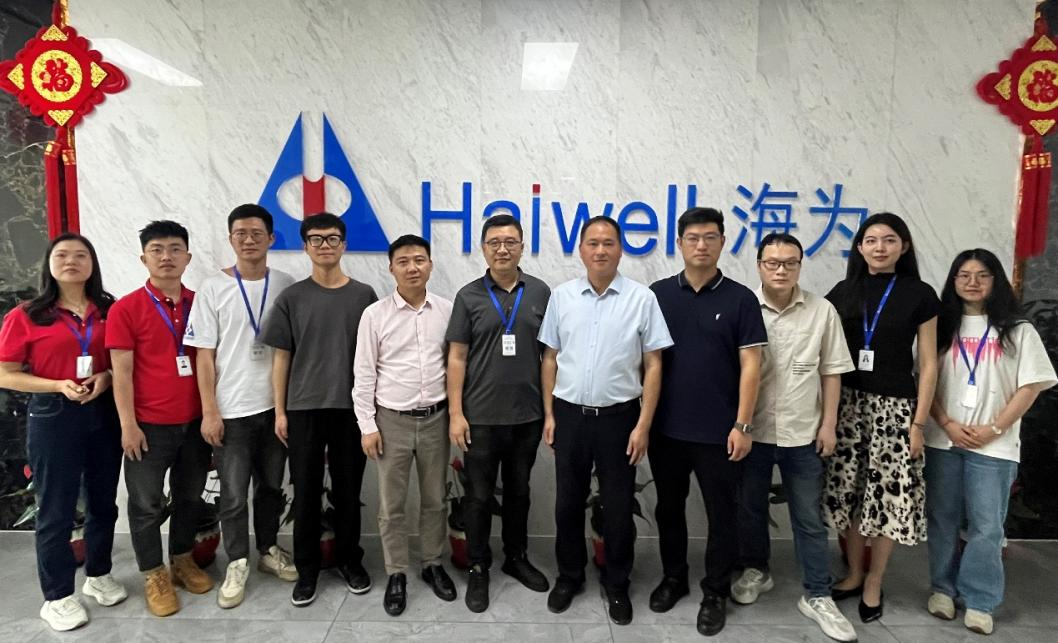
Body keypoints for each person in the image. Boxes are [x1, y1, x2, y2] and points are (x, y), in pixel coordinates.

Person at [539, 216, 673, 626]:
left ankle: (617, 582)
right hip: (569, 416)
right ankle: (570, 576)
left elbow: (654, 364)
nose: (601, 250)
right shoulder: (562, 297)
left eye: (609, 243)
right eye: (593, 243)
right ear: (581, 249)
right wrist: (549, 414)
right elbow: (549, 358)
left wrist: (643, 425)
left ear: (620, 249)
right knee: (567, 503)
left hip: (620, 419)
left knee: (617, 507)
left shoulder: (642, 299)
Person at [924, 249, 1056, 636]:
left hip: (994, 446)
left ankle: (980, 600)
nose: (972, 282)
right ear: (953, 281)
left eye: (982, 275)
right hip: (944, 440)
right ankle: (942, 589)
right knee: (943, 519)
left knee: (986, 526)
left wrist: (995, 429)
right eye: (964, 275)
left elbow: (1030, 386)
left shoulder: (1017, 329)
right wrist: (946, 423)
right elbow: (924, 379)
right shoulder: (940, 326)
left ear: (996, 280)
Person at [648, 207, 766, 637]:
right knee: (668, 508)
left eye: (710, 237)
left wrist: (743, 425)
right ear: (679, 243)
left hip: (720, 433)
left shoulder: (741, 299)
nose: (701, 245)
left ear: (722, 243)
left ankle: (715, 591)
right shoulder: (658, 294)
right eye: (693, 238)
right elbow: (647, 360)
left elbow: (751, 366)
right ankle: (673, 577)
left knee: (722, 515)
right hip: (666, 429)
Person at [734, 233, 857, 642]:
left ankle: (817, 594)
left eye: (790, 263)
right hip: (754, 432)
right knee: (750, 508)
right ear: (759, 265)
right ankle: (757, 570)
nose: (781, 270)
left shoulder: (822, 311)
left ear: (800, 266)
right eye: (772, 263)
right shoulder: (743, 306)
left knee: (808, 517)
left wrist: (828, 425)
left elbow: (832, 371)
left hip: (804, 433)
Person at [0, 234, 125, 631]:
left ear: (92, 263)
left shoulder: (109, 309)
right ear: (49, 264)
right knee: (57, 508)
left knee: (103, 501)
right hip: (54, 414)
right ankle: (57, 596)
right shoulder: (28, 314)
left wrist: (106, 376)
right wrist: (56, 385)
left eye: (81, 255)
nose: (71, 261)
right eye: (62, 255)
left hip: (103, 410)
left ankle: (98, 574)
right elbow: (5, 373)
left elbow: (121, 359)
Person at [823, 212, 939, 623]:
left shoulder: (920, 294)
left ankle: (875, 580)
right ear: (859, 247)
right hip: (848, 406)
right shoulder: (843, 292)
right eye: (871, 240)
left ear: (903, 246)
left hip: (895, 410)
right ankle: (855, 572)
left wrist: (918, 424)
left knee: (887, 497)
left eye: (889, 240)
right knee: (851, 493)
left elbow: (928, 364)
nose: (879, 247)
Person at [260, 212, 377, 607]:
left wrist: (371, 412)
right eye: (316, 239)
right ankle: (307, 569)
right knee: (306, 493)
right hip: (304, 409)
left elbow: (375, 357)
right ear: (305, 246)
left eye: (332, 238)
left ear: (344, 245)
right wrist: (280, 411)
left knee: (348, 492)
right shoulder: (292, 298)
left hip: (350, 409)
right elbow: (281, 358)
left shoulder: (363, 296)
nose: (325, 245)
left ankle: (349, 561)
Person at [183, 204, 297, 608]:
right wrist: (210, 411)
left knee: (271, 487)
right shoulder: (213, 288)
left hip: (274, 408)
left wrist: (284, 409)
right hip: (231, 411)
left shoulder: (285, 284)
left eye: (256, 233)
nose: (249, 240)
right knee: (232, 495)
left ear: (271, 238)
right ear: (231, 239)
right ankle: (237, 561)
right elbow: (204, 355)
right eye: (240, 234)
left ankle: (267, 549)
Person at [107, 220, 214, 617]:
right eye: (157, 249)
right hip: (148, 427)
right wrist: (128, 426)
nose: (166, 257)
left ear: (188, 257)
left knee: (189, 497)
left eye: (174, 249)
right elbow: (121, 374)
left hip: (195, 424)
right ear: (144, 258)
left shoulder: (200, 303)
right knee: (147, 504)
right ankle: (154, 573)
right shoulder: (126, 308)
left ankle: (182, 560)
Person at [446, 214, 552, 613]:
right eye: (494, 242)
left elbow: (550, 356)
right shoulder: (468, 296)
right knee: (477, 496)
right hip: (480, 419)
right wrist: (456, 413)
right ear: (484, 248)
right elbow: (456, 357)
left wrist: (549, 411)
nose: (502, 249)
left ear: (522, 246)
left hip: (527, 417)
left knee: (520, 492)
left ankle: (516, 557)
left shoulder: (540, 292)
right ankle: (478, 565)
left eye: (510, 242)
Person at [353, 234, 456, 617]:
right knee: (391, 504)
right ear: (391, 268)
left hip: (436, 419)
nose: (412, 267)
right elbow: (364, 373)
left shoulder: (447, 310)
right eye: (404, 261)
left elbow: (456, 364)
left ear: (430, 264)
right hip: (390, 421)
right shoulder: (374, 315)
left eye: (419, 260)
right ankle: (396, 572)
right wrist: (367, 425)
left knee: (435, 499)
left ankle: (432, 563)